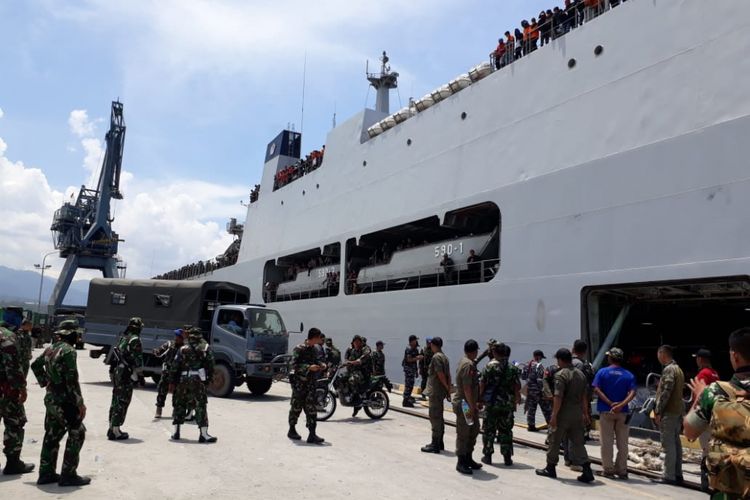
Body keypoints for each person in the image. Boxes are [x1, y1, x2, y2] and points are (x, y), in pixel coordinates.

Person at [684, 328, 750, 499]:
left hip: (728, 490)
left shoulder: (716, 391)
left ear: (735, 356)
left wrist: (700, 396)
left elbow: (689, 431)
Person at [30, 327, 89, 486]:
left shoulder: (51, 348)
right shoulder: (69, 351)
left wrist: (46, 382)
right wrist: (79, 403)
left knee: (52, 434)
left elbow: (35, 365)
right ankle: (68, 475)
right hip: (64, 401)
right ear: (72, 335)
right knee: (78, 432)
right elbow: (71, 381)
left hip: (51, 399)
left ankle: (46, 473)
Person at [535, 348, 594, 483]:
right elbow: (584, 396)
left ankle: (550, 468)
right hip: (577, 413)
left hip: (563, 413)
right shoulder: (581, 374)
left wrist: (554, 415)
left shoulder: (561, 375)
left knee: (554, 440)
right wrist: (585, 414)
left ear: (561, 360)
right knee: (578, 443)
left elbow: (558, 397)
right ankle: (587, 470)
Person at [592, 347, 636, 479]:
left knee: (607, 442)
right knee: (623, 443)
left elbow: (596, 389)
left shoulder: (602, 372)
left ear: (610, 358)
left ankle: (608, 470)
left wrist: (610, 403)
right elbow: (633, 392)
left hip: (606, 411)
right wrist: (621, 405)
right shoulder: (628, 375)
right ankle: (622, 470)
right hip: (622, 413)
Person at [169, 327, 216, 443]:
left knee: (180, 404)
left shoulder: (182, 349)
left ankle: (176, 432)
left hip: (183, 380)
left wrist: (172, 382)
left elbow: (175, 366)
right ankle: (203, 434)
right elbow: (211, 366)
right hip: (198, 380)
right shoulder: (205, 348)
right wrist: (208, 380)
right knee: (200, 405)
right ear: (199, 337)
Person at [0, 319, 35, 475]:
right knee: (14, 423)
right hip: (6, 390)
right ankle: (13, 463)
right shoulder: (7, 336)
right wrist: (21, 388)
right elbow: (12, 365)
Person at [480, 343, 521, 466]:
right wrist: (515, 399)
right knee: (506, 431)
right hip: (507, 405)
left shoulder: (489, 367)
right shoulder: (512, 368)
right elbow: (517, 386)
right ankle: (507, 458)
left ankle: (488, 456)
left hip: (492, 404)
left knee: (489, 430)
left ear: (495, 353)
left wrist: (480, 399)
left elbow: (482, 384)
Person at [653, 344, 685, 485]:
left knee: (668, 444)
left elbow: (666, 391)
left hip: (669, 412)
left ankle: (669, 475)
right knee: (676, 443)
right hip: (677, 411)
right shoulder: (679, 370)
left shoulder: (669, 370)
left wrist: (658, 410)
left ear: (662, 354)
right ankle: (677, 474)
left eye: (658, 354)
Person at [107, 317, 144, 440]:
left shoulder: (124, 338)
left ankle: (112, 427)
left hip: (118, 371)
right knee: (122, 401)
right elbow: (138, 361)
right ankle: (116, 431)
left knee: (115, 399)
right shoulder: (135, 340)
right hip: (126, 373)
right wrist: (138, 374)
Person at [287, 328, 325, 444]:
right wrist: (308, 367)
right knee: (296, 407)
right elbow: (293, 365)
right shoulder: (299, 348)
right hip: (300, 385)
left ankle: (312, 434)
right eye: (319, 337)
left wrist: (321, 365)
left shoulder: (314, 349)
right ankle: (292, 430)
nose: (321, 340)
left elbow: (316, 361)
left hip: (311, 384)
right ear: (314, 337)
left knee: (311, 408)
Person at [692, 347, 720, 491]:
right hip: (715, 415)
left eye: (696, 358)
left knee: (705, 449)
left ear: (700, 359)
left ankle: (706, 482)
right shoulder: (715, 374)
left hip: (705, 416)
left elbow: (700, 395)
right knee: (712, 448)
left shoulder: (703, 373)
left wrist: (692, 414)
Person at [454, 339, 482, 475]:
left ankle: (468, 458)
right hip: (465, 404)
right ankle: (461, 461)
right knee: (464, 432)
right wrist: (471, 406)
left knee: (474, 429)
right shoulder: (468, 365)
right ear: (475, 351)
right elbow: (466, 388)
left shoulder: (465, 362)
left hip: (469, 403)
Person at [421, 337, 451, 454]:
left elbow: (440, 374)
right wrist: (448, 390)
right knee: (439, 416)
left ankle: (435, 444)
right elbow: (448, 375)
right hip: (441, 391)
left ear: (434, 345)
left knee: (434, 417)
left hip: (436, 391)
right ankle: (440, 442)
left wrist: (446, 387)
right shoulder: (445, 357)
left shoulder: (436, 357)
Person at [152, 328, 185, 418]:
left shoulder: (184, 348)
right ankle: (159, 409)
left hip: (178, 373)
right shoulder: (169, 344)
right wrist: (156, 351)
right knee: (162, 390)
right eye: (176, 336)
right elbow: (159, 352)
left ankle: (175, 410)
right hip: (167, 372)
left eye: (179, 337)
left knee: (177, 393)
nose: (176, 338)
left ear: (182, 338)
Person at [522, 349, 551, 431]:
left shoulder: (527, 364)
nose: (541, 359)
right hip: (538, 391)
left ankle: (531, 425)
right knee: (546, 409)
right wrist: (544, 391)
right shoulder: (539, 366)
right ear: (538, 356)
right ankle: (550, 425)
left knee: (531, 408)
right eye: (541, 357)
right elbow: (540, 380)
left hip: (530, 390)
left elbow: (523, 377)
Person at [402, 335, 422, 407]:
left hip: (412, 369)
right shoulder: (409, 349)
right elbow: (409, 359)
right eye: (415, 340)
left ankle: (407, 398)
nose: (416, 341)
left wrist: (416, 371)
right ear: (412, 341)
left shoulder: (415, 349)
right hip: (408, 369)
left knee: (411, 385)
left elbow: (415, 362)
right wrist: (417, 358)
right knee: (408, 385)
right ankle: (405, 401)